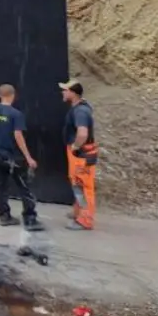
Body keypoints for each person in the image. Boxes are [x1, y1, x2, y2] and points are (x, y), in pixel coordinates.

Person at [0, 84, 42, 230]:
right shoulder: (16, 114)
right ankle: (30, 219)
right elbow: (18, 135)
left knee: (1, 188)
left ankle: (4, 217)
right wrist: (28, 157)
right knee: (24, 187)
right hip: (14, 157)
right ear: (13, 95)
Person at [61, 80, 99, 231]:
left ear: (73, 93)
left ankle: (85, 220)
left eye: (65, 90)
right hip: (80, 153)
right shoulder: (80, 107)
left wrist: (75, 147)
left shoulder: (80, 111)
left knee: (83, 187)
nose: (63, 93)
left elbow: (82, 133)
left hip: (80, 154)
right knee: (77, 184)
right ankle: (78, 212)